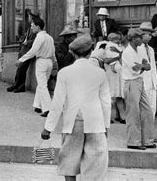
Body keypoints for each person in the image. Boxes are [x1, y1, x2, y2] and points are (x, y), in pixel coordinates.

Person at [41, 34, 111, 181]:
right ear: (91, 51)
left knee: (69, 162)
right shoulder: (100, 73)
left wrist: (48, 127)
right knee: (95, 164)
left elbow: (57, 103)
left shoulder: (64, 73)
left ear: (72, 52)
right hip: (95, 123)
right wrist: (106, 126)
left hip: (73, 123)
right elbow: (105, 103)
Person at [121, 28, 155, 150]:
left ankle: (147, 140)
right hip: (130, 83)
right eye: (140, 37)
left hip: (139, 81)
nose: (142, 39)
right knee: (133, 113)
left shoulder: (140, 50)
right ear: (133, 39)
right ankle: (133, 141)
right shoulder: (127, 52)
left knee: (147, 111)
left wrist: (142, 66)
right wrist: (142, 66)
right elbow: (135, 68)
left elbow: (148, 65)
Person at [16, 17, 56, 117]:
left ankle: (48, 109)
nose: (32, 27)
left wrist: (21, 59)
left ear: (38, 26)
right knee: (42, 83)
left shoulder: (39, 37)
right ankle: (37, 105)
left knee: (42, 85)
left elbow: (33, 51)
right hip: (49, 62)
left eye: (33, 25)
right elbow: (53, 53)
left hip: (42, 61)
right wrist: (55, 63)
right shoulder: (49, 37)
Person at [7, 9, 41, 93]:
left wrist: (27, 42)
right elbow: (24, 37)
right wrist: (23, 40)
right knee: (19, 68)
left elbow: (37, 40)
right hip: (24, 49)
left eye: (30, 16)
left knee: (22, 68)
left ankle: (21, 86)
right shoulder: (30, 27)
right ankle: (16, 84)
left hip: (29, 50)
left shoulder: (37, 27)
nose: (28, 18)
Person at [138, 22, 157, 141]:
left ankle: (150, 134)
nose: (149, 37)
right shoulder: (136, 48)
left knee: (152, 109)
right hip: (142, 82)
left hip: (151, 82)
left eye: (151, 34)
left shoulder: (150, 49)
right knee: (143, 110)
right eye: (147, 34)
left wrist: (156, 82)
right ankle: (142, 135)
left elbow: (153, 67)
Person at [104, 33, 126, 124]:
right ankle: (107, 117)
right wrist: (118, 57)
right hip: (113, 73)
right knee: (112, 95)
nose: (119, 40)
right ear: (113, 39)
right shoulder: (110, 46)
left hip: (118, 73)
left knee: (119, 96)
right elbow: (109, 59)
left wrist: (119, 55)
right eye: (117, 39)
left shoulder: (116, 46)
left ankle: (122, 116)